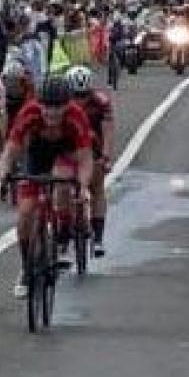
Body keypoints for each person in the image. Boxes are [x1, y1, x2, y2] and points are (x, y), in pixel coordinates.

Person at [0, 77, 95, 299]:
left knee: (63, 182)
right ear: (39, 105)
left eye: (58, 109)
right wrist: (3, 176)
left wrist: (82, 187)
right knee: (25, 213)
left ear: (67, 105)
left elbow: (86, 159)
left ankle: (63, 231)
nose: (51, 114)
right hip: (38, 152)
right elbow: (10, 150)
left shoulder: (76, 117)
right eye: (47, 108)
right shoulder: (29, 113)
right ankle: (26, 267)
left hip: (67, 151)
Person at [66, 65, 114, 257]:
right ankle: (64, 229)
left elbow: (108, 129)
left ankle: (98, 238)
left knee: (97, 187)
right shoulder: (62, 101)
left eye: (83, 95)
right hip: (68, 146)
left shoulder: (101, 102)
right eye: (75, 95)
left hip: (93, 145)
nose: (79, 100)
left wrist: (106, 156)